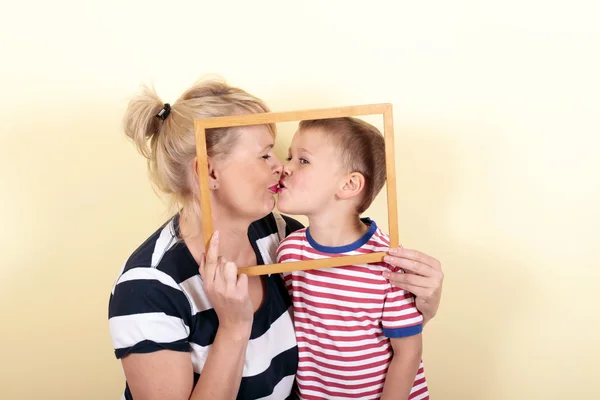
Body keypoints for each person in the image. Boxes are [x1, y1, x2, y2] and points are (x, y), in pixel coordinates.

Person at [108, 78, 444, 400]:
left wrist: (422, 302)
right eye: (266, 154)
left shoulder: (279, 234)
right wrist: (234, 328)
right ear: (208, 172)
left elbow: (355, 317)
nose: (281, 168)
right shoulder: (148, 287)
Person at [276, 117, 429, 399]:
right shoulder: (288, 253)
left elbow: (408, 354)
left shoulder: (389, 263)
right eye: (289, 157)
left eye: (303, 160)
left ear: (348, 184)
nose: (284, 167)